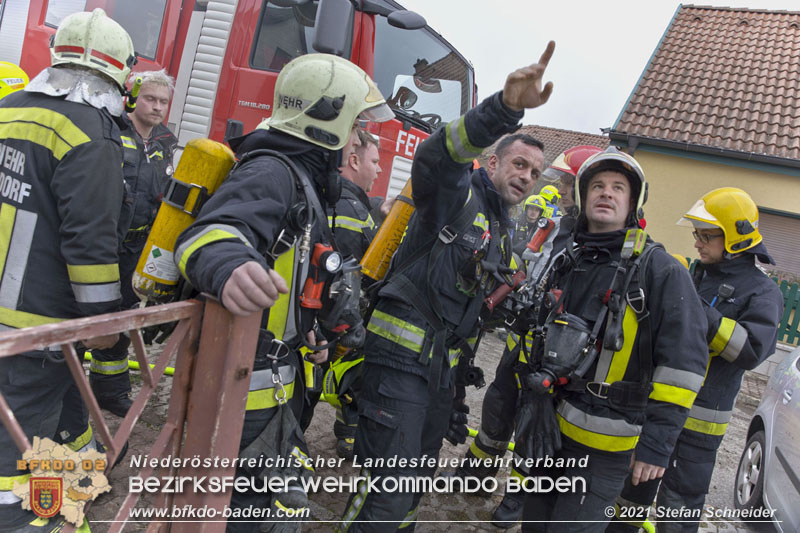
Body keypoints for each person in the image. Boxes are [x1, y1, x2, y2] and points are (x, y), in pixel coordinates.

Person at [339, 41, 555, 532]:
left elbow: (468, 318)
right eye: (519, 164)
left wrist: (456, 394)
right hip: (396, 369)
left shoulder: (503, 234)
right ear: (493, 163)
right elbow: (439, 154)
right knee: (387, 495)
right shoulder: (453, 195)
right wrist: (504, 109)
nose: (525, 177)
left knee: (413, 489)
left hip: (436, 377)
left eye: (535, 173)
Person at [174, 53, 392, 532]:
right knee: (238, 516)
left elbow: (293, 271)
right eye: (355, 124)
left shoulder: (302, 179)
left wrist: (308, 329)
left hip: (271, 381)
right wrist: (229, 266)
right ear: (329, 123)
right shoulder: (273, 171)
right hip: (244, 391)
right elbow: (207, 236)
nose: (358, 136)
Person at [514, 147, 709, 532]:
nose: (607, 193)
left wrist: (656, 446)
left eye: (619, 187)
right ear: (584, 197)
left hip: (605, 448)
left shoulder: (660, 270)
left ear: (633, 202)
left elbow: (683, 366)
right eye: (598, 186)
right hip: (550, 428)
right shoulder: (568, 259)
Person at [0, 9, 134, 531]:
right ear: (119, 71)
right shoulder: (91, 134)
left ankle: (66, 496)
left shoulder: (7, 110)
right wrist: (102, 325)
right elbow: (90, 241)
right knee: (20, 450)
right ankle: (30, 518)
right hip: (36, 326)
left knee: (65, 420)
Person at [608, 187, 782, 533]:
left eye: (706, 236)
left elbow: (749, 351)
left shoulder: (764, 292)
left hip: (700, 427)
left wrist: (695, 310)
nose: (698, 243)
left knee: (680, 505)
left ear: (735, 239)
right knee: (632, 492)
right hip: (661, 410)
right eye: (696, 234)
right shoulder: (698, 274)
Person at [456, 145, 603, 529]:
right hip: (520, 340)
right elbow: (524, 265)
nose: (564, 191)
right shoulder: (555, 228)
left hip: (553, 357)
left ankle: (516, 500)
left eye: (569, 184)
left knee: (531, 424)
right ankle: (477, 472)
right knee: (497, 406)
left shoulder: (595, 243)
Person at [87, 69, 178, 417]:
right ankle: (67, 385)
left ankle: (109, 390)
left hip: (139, 248)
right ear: (133, 99)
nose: (156, 107)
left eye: (163, 102)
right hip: (104, 245)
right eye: (150, 99)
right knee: (90, 314)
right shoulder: (111, 131)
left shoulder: (167, 140)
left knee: (124, 317)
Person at [325, 128, 381, 459]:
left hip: (330, 318)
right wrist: (350, 325)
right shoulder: (349, 209)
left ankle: (347, 431)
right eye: (375, 161)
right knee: (333, 376)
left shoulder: (352, 203)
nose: (379, 169)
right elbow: (344, 276)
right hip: (337, 320)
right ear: (355, 159)